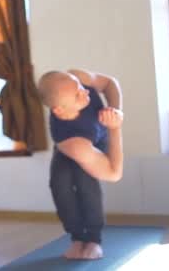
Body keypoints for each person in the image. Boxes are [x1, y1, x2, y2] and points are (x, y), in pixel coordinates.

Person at [37, 69, 124, 260]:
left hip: (98, 139)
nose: (84, 92)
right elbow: (114, 174)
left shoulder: (78, 78)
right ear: (59, 110)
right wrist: (115, 127)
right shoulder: (71, 143)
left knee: (86, 181)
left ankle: (93, 239)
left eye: (80, 86)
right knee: (60, 183)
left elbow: (110, 82)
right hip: (76, 143)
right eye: (77, 95)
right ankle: (77, 238)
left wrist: (115, 114)